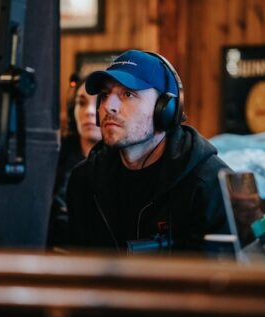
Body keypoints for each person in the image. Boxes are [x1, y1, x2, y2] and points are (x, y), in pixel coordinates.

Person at [66, 50, 230, 253]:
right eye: (105, 95)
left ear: (166, 109)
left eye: (128, 94)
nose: (109, 106)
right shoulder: (84, 180)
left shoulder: (211, 185)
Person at [46, 75, 102, 247]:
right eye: (82, 103)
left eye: (98, 103)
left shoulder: (124, 162)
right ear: (73, 110)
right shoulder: (54, 156)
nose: (89, 111)